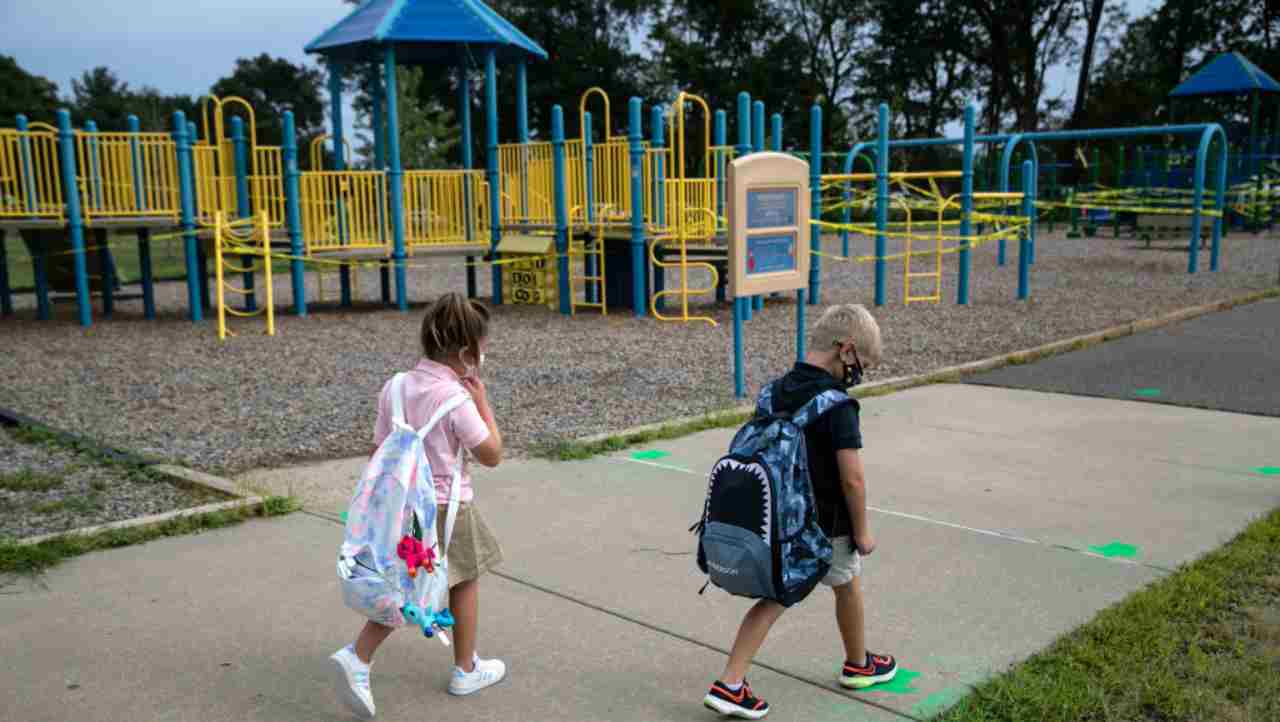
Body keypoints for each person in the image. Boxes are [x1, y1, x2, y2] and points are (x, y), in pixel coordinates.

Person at [704, 304, 898, 720]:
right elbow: (853, 480)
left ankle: (736, 681)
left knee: (786, 594)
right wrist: (862, 531)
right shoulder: (839, 406)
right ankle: (855, 665)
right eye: (862, 363)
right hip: (826, 526)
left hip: (777, 522)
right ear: (846, 350)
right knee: (840, 586)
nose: (859, 373)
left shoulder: (773, 390)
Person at [331, 293, 507, 719]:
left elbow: (379, 452)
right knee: (464, 581)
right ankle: (463, 668)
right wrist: (483, 402)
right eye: (482, 350)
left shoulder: (395, 386)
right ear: (467, 352)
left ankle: (360, 656)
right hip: (447, 509)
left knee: (407, 586)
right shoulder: (456, 400)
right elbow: (492, 454)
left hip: (402, 510)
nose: (483, 357)